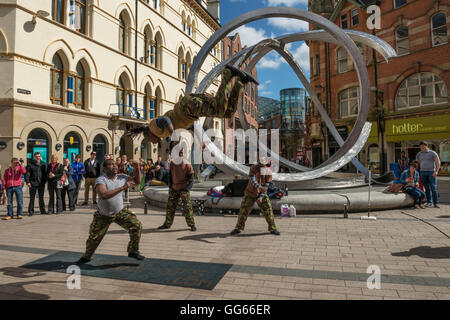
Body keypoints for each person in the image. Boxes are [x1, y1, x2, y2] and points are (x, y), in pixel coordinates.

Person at [128, 65, 257, 144]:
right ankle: (240, 82)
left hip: (187, 107)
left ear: (148, 135)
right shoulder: (163, 134)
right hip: (191, 111)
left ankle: (228, 74)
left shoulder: (153, 128)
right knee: (228, 112)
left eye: (150, 141)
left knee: (218, 110)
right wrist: (199, 137)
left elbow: (164, 119)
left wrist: (173, 135)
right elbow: (186, 126)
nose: (152, 142)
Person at [77, 159, 144, 264]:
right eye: (111, 165)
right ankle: (87, 256)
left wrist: (137, 168)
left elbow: (137, 181)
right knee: (94, 238)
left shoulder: (122, 177)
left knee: (137, 226)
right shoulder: (101, 179)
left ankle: (133, 251)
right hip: (103, 215)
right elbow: (104, 195)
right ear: (104, 168)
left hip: (119, 212)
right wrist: (123, 187)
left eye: (116, 164)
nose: (115, 166)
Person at [230, 157, 280, 236]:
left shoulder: (268, 171)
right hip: (250, 193)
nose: (262, 162)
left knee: (268, 210)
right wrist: (260, 187)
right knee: (243, 211)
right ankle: (238, 228)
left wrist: (261, 196)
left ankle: (273, 228)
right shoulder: (254, 168)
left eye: (264, 160)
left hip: (262, 194)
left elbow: (266, 185)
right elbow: (253, 181)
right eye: (260, 160)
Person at [158, 149, 197, 231]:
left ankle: (192, 225)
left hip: (184, 189)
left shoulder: (187, 164)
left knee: (187, 208)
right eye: (178, 153)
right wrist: (170, 187)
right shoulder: (173, 163)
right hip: (174, 188)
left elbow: (191, 180)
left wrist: (186, 190)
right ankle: (167, 224)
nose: (180, 154)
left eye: (182, 153)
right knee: (170, 207)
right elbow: (170, 177)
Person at [416, 141, 441, 208]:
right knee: (427, 188)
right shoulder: (419, 154)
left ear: (426, 146)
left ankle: (436, 203)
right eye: (420, 147)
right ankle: (429, 202)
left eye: (423, 146)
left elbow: (438, 162)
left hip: (431, 172)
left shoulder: (432, 153)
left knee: (433, 188)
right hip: (423, 172)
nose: (422, 148)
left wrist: (436, 171)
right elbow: (417, 163)